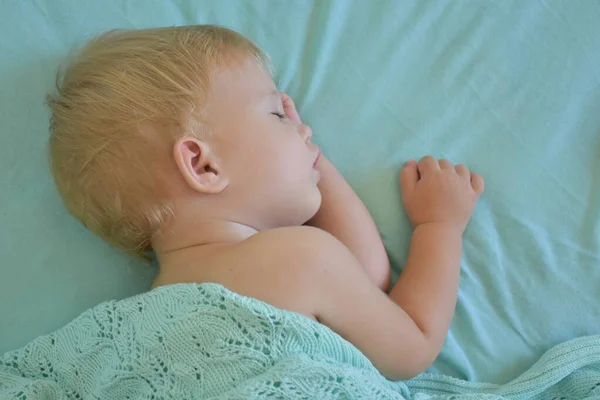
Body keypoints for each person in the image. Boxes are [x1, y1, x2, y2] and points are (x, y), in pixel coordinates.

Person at [47, 25, 484, 381]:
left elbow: (362, 279)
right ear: (202, 166)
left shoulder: (133, 328)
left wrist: (301, 153)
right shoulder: (303, 256)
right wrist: (438, 228)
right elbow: (410, 342)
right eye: (278, 115)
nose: (304, 131)